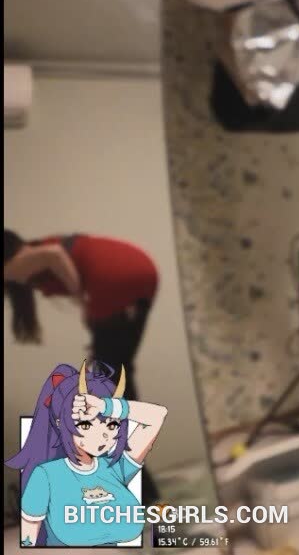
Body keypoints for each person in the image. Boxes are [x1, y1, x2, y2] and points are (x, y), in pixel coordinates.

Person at [4, 229, 162, 503]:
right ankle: (142, 484)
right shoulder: (35, 253)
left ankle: (142, 490)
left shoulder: (16, 262)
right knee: (116, 378)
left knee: (110, 392)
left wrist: (83, 300)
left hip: (113, 276)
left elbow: (53, 255)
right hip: (142, 271)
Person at [5, 361, 168, 547]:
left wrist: (105, 406)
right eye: (86, 425)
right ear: (60, 423)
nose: (103, 436)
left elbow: (158, 415)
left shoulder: (115, 468)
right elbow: (29, 539)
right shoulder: (46, 476)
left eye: (112, 425)